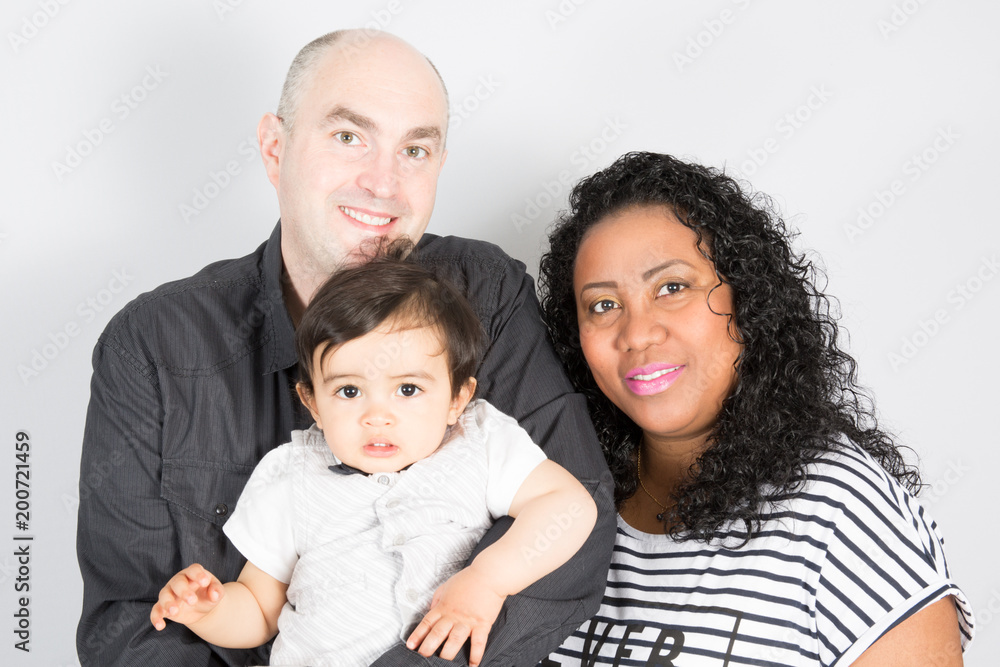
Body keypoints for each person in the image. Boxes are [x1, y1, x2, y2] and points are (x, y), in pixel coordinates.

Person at [76, 29, 615, 667]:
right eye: (349, 136)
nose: (383, 183)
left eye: (415, 149)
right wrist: (202, 603)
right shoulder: (152, 344)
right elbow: (130, 625)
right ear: (276, 149)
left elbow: (572, 528)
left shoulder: (485, 292)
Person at [537, 152, 974, 666]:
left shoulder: (839, 511)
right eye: (603, 305)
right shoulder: (557, 494)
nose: (637, 333)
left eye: (672, 288)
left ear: (748, 300)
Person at [148, 245, 598, 667]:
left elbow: (569, 506)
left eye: (408, 389)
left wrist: (490, 579)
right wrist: (209, 610)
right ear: (313, 403)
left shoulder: (479, 443)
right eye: (348, 391)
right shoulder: (291, 476)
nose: (377, 416)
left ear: (457, 398)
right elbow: (259, 611)